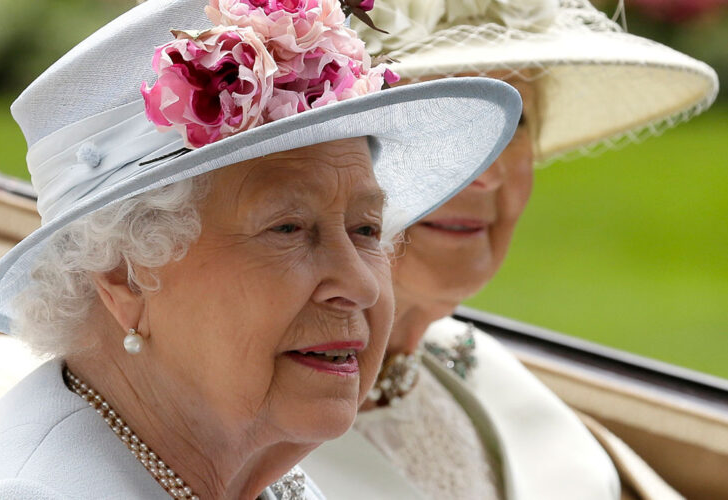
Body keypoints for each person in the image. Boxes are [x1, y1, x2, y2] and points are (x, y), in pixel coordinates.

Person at [0, 0, 522, 498]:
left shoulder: (233, 475)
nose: (358, 284)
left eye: (365, 230)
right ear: (123, 273)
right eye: (287, 228)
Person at [302, 0, 718, 499]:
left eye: (513, 119)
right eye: (435, 116)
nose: (487, 172)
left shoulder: (483, 371)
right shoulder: (235, 447)